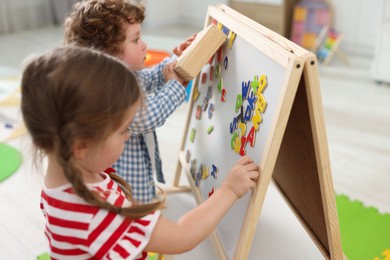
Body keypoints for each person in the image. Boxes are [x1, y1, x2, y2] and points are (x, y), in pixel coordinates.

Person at [21, 46, 260, 259]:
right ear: (81, 145)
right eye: (123, 130)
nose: (128, 136)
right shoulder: (98, 214)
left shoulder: (59, 175)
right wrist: (228, 190)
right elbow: (180, 236)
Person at [63, 0, 196, 204]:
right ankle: (138, 222)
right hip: (124, 179)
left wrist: (176, 61)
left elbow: (150, 78)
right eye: (135, 40)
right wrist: (175, 87)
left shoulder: (123, 74)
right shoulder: (106, 91)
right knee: (131, 207)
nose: (144, 45)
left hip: (135, 168)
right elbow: (145, 118)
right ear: (108, 54)